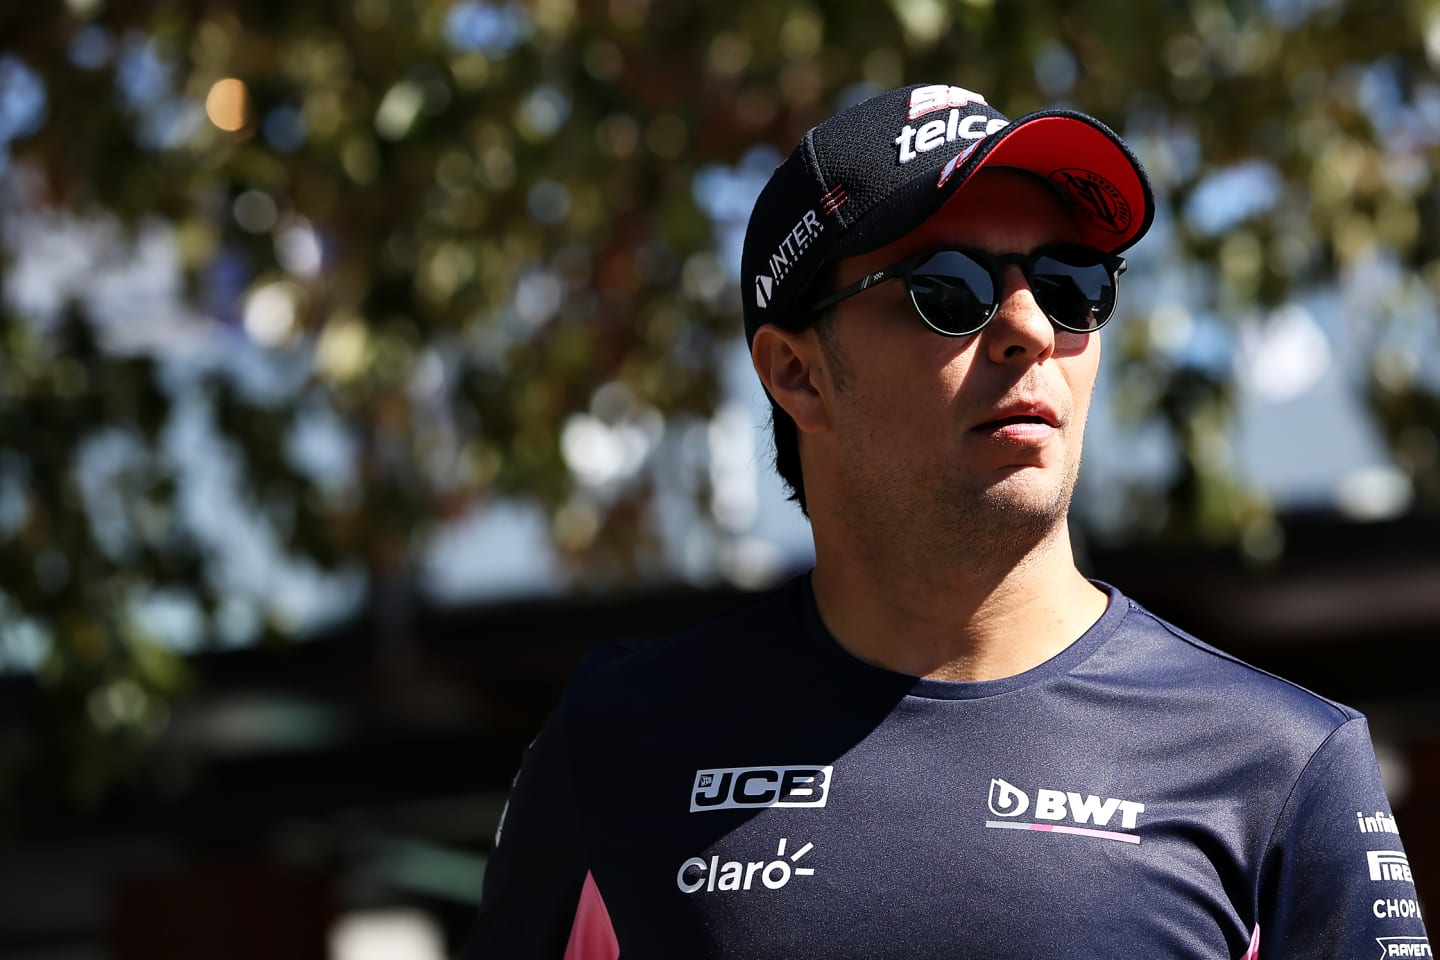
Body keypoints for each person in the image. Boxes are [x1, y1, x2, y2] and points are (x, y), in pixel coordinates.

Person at [463, 83, 1430, 959]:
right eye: (949, 290)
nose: (1030, 328)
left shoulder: (1283, 764)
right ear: (797, 372)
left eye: (1072, 284)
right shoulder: (617, 739)